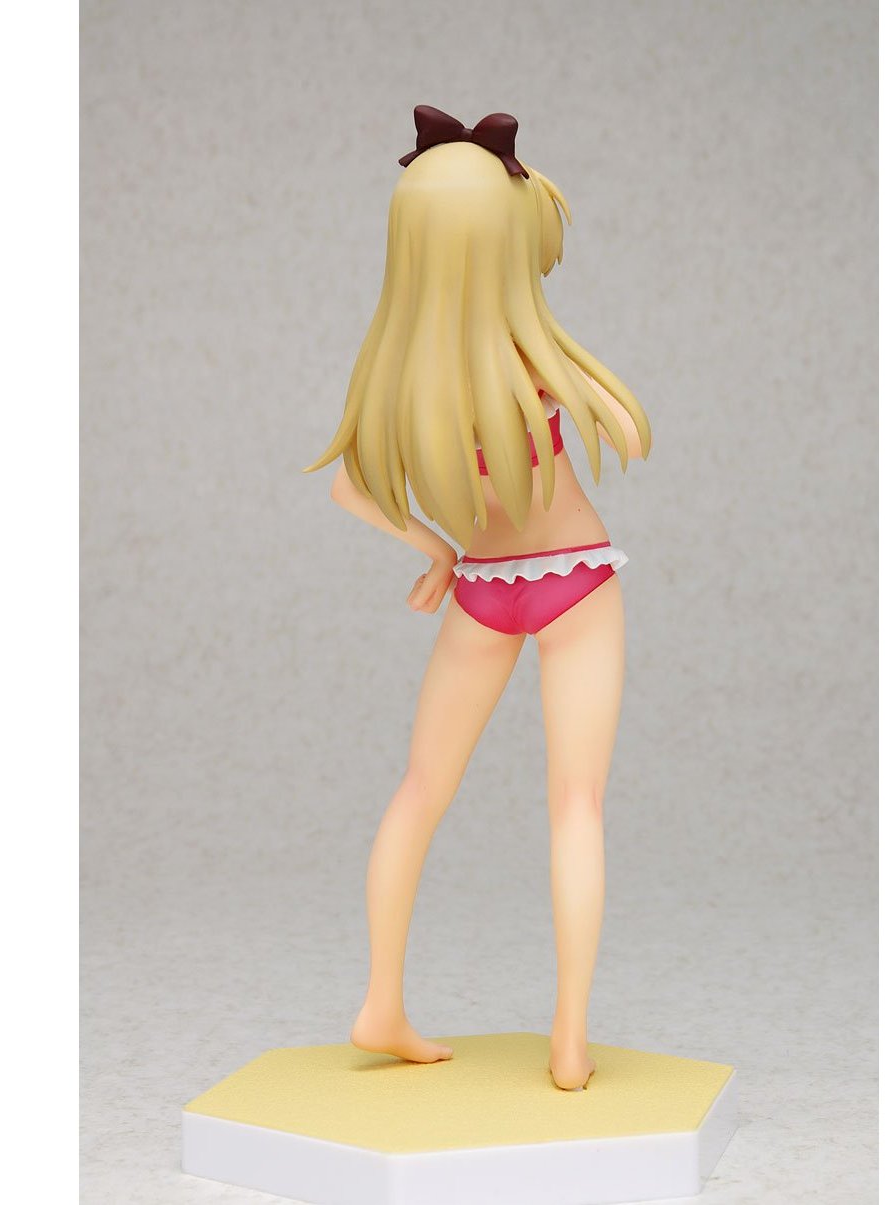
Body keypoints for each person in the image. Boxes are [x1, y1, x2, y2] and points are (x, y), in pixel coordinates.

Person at [304, 107, 651, 1091]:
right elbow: (630, 429)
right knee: (575, 803)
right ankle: (569, 1039)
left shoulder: (403, 375)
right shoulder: (532, 361)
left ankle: (380, 998)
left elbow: (348, 488)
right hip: (573, 581)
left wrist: (434, 544)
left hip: (482, 588)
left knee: (419, 790)